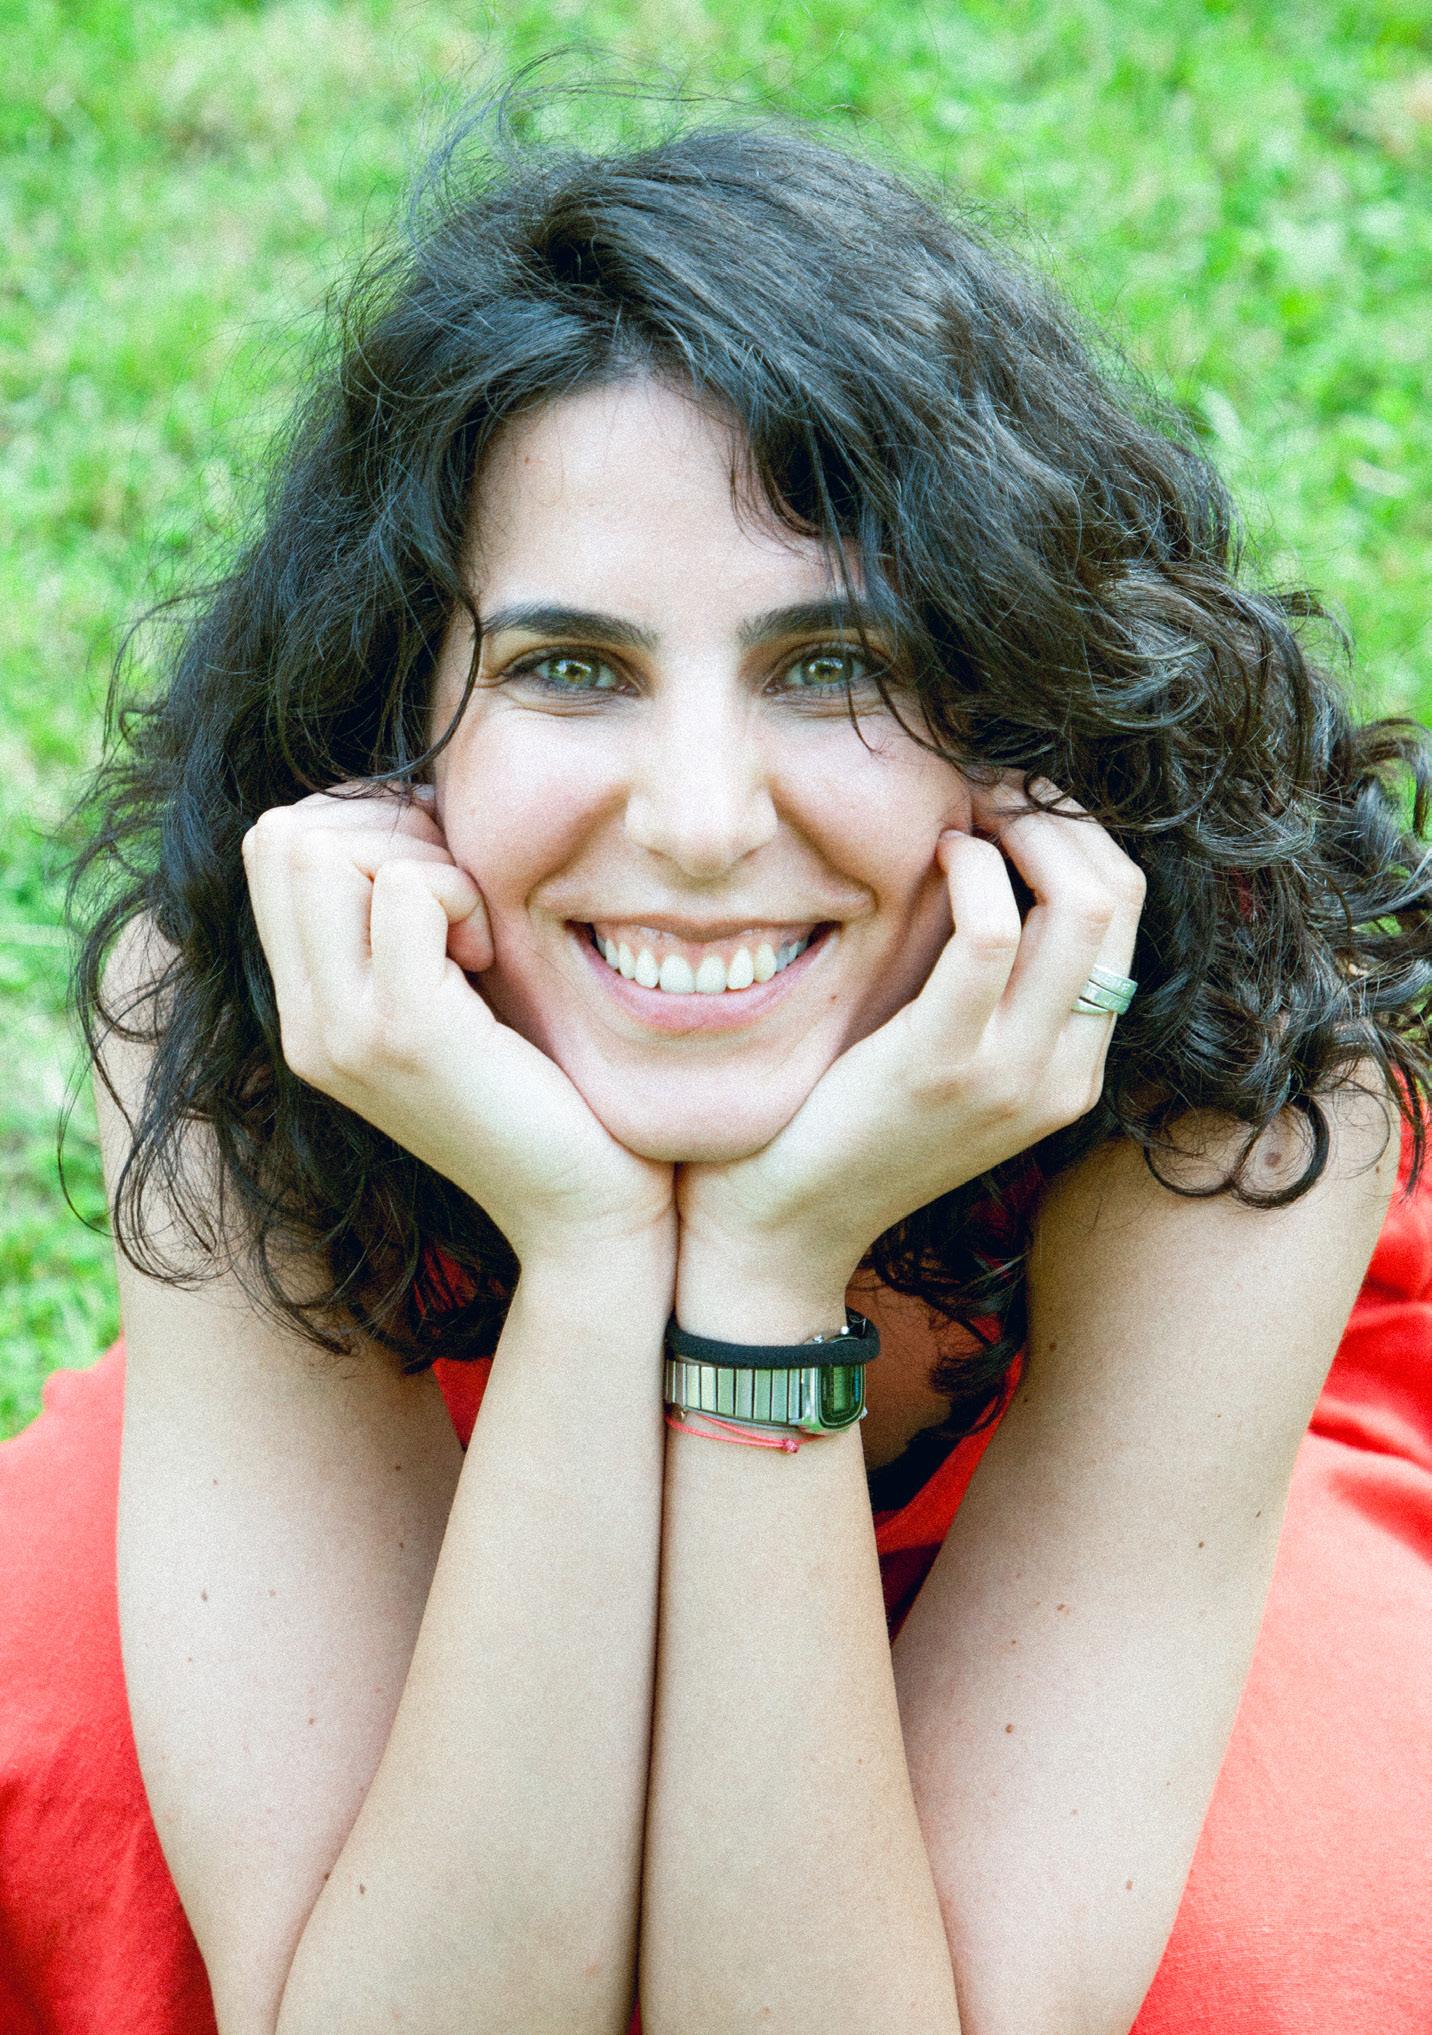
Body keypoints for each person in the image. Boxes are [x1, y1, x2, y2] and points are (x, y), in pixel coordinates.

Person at [3, 65, 1428, 2035]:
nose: (693, 822)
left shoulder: (1224, 1062)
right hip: (449, 1591)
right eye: (566, 667)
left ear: (1014, 715)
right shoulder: (256, 987)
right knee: (61, 1701)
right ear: (396, 726)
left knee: (1293, 1907)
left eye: (833, 667)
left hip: (1074, 1594)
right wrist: (594, 1261)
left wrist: (762, 1270)